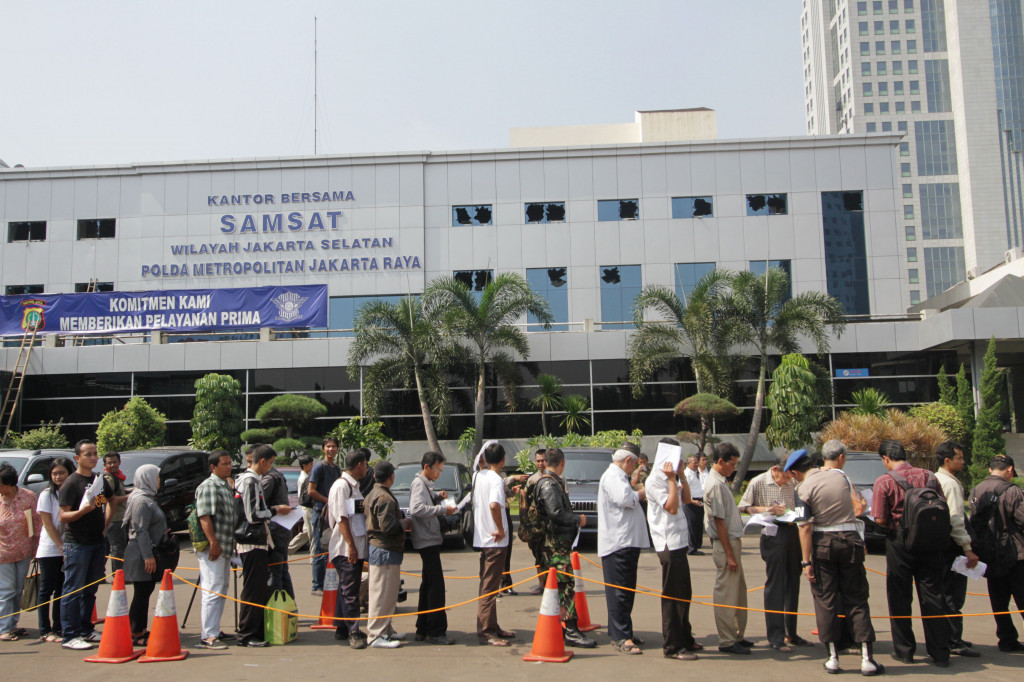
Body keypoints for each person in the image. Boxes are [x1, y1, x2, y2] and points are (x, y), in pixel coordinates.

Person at [786, 449, 884, 676]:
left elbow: (805, 527)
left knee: (825, 601)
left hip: (823, 545)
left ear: (795, 471)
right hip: (851, 542)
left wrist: (805, 561)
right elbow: (859, 507)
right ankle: (867, 658)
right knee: (857, 600)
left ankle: (832, 657)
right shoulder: (842, 476)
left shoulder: (802, 489)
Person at [872, 439, 951, 667]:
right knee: (933, 597)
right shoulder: (929, 476)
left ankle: (905, 650)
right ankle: (940, 652)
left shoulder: (884, 481)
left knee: (899, 598)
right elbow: (942, 504)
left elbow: (879, 518)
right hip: (930, 543)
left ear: (886, 458)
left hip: (900, 543)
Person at [738, 454, 808, 652]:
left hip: (792, 530)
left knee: (793, 581)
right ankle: (775, 636)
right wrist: (768, 509)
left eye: (790, 477)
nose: (788, 480)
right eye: (785, 477)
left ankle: (791, 633)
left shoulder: (795, 482)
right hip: (772, 532)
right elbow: (743, 506)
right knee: (775, 584)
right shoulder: (759, 481)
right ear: (775, 470)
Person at [534, 447, 596, 649]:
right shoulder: (549, 485)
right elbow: (556, 513)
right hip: (555, 545)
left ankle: (562, 627)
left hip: (556, 544)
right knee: (566, 586)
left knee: (559, 587)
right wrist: (578, 519)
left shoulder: (550, 482)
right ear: (562, 463)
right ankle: (571, 630)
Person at [645, 440, 699, 661]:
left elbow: (687, 499)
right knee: (673, 596)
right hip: (667, 542)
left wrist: (681, 475)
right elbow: (673, 506)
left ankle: (685, 637)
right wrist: (670, 479)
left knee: (684, 593)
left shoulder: (673, 476)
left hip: (679, 541)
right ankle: (673, 646)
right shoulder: (656, 479)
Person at [58, 439, 112, 650]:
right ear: (77, 458)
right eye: (88, 454)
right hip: (77, 544)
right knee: (73, 590)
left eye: (95, 453)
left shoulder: (99, 480)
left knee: (90, 589)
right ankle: (69, 635)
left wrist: (105, 525)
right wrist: (82, 512)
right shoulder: (72, 483)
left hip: (97, 541)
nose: (93, 457)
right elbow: (63, 515)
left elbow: (110, 500)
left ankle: (86, 629)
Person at [968, 454, 1024, 653]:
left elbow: (972, 520)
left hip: (988, 553)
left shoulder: (976, 490)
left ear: (990, 470)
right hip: (1014, 552)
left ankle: (1006, 639)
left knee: (999, 600)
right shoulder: (1013, 492)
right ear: (1009, 470)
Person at [598, 443, 650, 654]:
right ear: (628, 461)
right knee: (620, 591)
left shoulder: (620, 477)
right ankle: (622, 636)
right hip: (618, 543)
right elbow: (625, 499)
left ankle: (621, 632)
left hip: (625, 541)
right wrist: (645, 491)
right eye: (634, 464)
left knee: (625, 590)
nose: (634, 469)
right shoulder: (613, 476)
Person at [235, 444, 288, 648]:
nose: (270, 468)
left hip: (257, 540)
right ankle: (247, 634)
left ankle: (253, 631)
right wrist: (275, 510)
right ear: (263, 461)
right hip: (251, 541)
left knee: (257, 588)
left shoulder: (251, 480)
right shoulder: (249, 481)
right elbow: (253, 515)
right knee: (253, 589)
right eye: (271, 463)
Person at [934, 441, 981, 657]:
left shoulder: (935, 478)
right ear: (947, 460)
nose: (963, 461)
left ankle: (950, 637)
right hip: (953, 548)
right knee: (953, 595)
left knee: (946, 594)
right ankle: (953, 640)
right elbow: (956, 519)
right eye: (959, 458)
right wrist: (967, 547)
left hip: (941, 546)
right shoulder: (950, 484)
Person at [704, 442, 751, 655]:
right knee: (726, 593)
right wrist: (729, 554)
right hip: (725, 544)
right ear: (721, 461)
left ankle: (736, 635)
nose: (734, 468)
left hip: (732, 542)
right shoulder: (714, 484)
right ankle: (727, 639)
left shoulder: (721, 481)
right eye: (732, 464)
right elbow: (719, 521)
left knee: (737, 593)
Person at [409, 451, 457, 645]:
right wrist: (443, 509)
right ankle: (436, 631)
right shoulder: (419, 483)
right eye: (437, 469)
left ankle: (423, 627)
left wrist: (437, 498)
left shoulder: (425, 484)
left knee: (428, 584)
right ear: (427, 467)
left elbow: (423, 503)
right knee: (436, 586)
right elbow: (416, 509)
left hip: (429, 538)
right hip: (426, 539)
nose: (439, 473)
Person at [473, 442, 516, 646]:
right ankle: (486, 631)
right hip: (495, 540)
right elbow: (494, 505)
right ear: (503, 460)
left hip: (483, 538)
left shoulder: (478, 476)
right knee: (490, 587)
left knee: (488, 584)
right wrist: (500, 528)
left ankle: (492, 626)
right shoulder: (496, 479)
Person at [328, 449, 370, 649]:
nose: (367, 468)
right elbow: (341, 517)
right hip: (345, 548)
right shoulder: (341, 486)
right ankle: (353, 630)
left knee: (347, 588)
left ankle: (342, 628)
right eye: (366, 464)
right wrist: (351, 546)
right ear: (360, 464)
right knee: (350, 590)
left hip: (355, 546)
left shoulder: (354, 486)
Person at [120, 464, 166, 646]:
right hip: (140, 552)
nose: (159, 481)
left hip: (145, 550)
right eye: (157, 477)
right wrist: (148, 556)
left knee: (145, 591)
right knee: (141, 591)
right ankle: (135, 631)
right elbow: (140, 530)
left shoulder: (147, 497)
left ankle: (140, 628)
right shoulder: (141, 500)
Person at [195, 450, 237, 650]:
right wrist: (213, 542)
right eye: (224, 464)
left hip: (225, 546)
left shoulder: (225, 485)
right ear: (213, 467)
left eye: (229, 463)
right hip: (215, 547)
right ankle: (208, 635)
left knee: (220, 589)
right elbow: (204, 516)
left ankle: (214, 629)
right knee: (212, 590)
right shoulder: (209, 486)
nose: (228, 467)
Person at [364, 461, 408, 649]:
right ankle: (375, 634)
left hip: (384, 549)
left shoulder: (374, 493)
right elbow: (388, 527)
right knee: (381, 595)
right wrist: (405, 523)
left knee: (388, 595)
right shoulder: (384, 498)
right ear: (391, 477)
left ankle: (386, 629)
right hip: (384, 548)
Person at [0, 463, 40, 642]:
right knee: (6, 591)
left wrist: (38, 546)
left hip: (24, 550)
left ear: (9, 483)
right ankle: (4, 628)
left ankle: (12, 624)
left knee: (18, 590)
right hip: (3, 553)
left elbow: (37, 522)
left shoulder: (28, 497)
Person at [35, 458, 72, 643]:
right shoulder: (46, 494)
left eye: (62, 473)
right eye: (54, 473)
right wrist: (60, 546)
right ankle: (44, 629)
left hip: (67, 548)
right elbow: (47, 523)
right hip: (49, 549)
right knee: (46, 589)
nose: (58, 477)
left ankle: (58, 627)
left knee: (61, 589)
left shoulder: (73, 492)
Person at [308, 437, 341, 595]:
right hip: (320, 512)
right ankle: (317, 585)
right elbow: (311, 491)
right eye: (328, 446)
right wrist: (328, 500)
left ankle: (327, 582)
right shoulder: (318, 467)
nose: (331, 449)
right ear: (323, 449)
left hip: (332, 513)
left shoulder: (336, 468)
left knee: (330, 547)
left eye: (333, 446)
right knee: (320, 548)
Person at [261, 457, 295, 598]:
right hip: (282, 529)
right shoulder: (278, 475)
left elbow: (257, 508)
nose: (249, 466)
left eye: (251, 462)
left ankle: (277, 613)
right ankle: (289, 611)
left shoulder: (269, 479)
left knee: (274, 575)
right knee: (282, 572)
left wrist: (274, 510)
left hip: (274, 531)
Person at [524, 448, 548, 594]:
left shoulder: (557, 478)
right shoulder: (532, 480)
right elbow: (525, 502)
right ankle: (541, 584)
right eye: (538, 461)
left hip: (550, 525)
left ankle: (554, 584)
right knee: (538, 555)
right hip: (536, 526)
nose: (541, 463)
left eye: (543, 460)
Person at [102, 452, 128, 577]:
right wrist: (128, 496)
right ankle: (118, 575)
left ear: (119, 462)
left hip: (115, 518)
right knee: (117, 547)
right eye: (109, 463)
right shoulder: (110, 478)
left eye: (114, 462)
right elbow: (111, 500)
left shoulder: (117, 477)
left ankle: (99, 575)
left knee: (106, 548)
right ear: (105, 464)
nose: (112, 465)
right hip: (115, 518)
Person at [288, 455, 315, 554]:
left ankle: (288, 549)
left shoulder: (305, 476)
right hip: (307, 507)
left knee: (306, 532)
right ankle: (314, 555)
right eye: (311, 464)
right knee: (312, 532)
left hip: (305, 507)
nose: (312, 466)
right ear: (304, 465)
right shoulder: (304, 478)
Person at [683, 454, 707, 556]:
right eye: (694, 463)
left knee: (698, 524)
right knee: (691, 524)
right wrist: (692, 501)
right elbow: (683, 490)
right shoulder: (686, 474)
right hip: (690, 502)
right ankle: (691, 548)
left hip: (699, 500)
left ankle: (697, 545)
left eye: (697, 462)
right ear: (688, 463)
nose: (696, 464)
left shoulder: (696, 473)